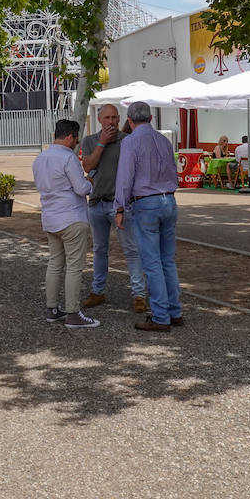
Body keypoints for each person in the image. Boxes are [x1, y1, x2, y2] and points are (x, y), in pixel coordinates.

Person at [115, 101, 183, 332]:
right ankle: (175, 311)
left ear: (130, 121)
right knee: (167, 260)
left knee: (152, 262)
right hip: (169, 199)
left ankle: (161, 316)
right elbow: (174, 169)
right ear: (151, 118)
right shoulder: (164, 141)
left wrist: (120, 207)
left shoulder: (130, 141)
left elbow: (125, 177)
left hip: (146, 203)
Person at [80, 104, 149, 313]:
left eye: (114, 118)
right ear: (99, 119)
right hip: (96, 203)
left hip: (120, 205)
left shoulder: (127, 141)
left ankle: (139, 294)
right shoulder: (90, 140)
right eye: (107, 118)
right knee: (99, 250)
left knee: (131, 249)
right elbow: (88, 166)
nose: (111, 122)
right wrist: (102, 143)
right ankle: (97, 291)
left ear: (120, 119)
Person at [32, 118, 99, 328]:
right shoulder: (68, 158)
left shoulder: (40, 158)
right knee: (74, 267)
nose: (77, 142)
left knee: (54, 264)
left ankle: (52, 308)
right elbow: (81, 188)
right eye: (76, 138)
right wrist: (90, 183)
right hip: (71, 218)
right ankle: (73, 312)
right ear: (70, 137)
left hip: (50, 218)